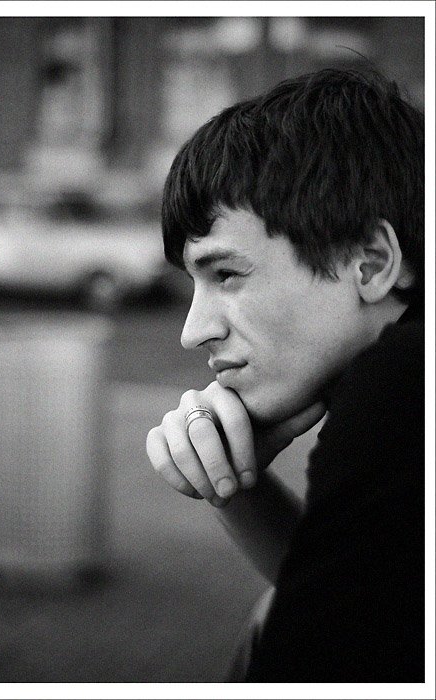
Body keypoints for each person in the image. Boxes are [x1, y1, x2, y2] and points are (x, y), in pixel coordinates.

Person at [146, 69, 424, 682]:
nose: (193, 331)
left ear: (370, 263)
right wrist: (234, 484)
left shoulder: (402, 387)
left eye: (226, 275)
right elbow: (371, 621)